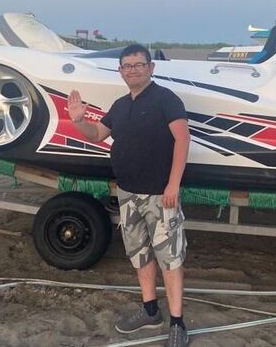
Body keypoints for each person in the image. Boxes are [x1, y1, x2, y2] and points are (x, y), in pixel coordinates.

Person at [67, 44, 190, 347]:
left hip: (160, 196)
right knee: (139, 254)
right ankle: (150, 311)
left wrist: (173, 185)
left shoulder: (166, 100)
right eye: (127, 66)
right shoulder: (120, 106)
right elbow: (98, 134)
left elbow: (182, 139)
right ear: (120, 71)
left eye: (139, 64)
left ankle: (177, 323)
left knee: (170, 259)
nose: (133, 70)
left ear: (151, 68)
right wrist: (79, 121)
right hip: (128, 193)